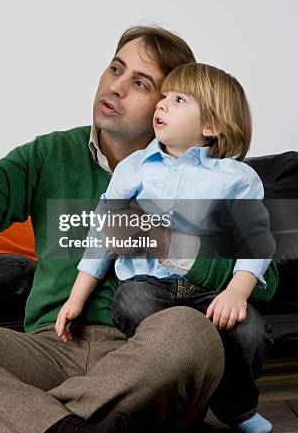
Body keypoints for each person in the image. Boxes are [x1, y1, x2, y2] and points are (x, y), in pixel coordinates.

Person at [0, 25, 226, 433]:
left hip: (143, 357)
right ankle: (62, 426)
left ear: (166, 105)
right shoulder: (49, 154)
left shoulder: (206, 173)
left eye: (139, 83)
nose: (115, 87)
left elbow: (265, 279)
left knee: (191, 333)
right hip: (48, 351)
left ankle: (12, 417)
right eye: (115, 69)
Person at [56, 63, 277, 433]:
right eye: (162, 98)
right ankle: (172, 382)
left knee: (249, 331)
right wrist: (76, 299)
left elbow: (255, 241)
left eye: (178, 100)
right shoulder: (134, 168)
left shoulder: (237, 177)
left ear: (211, 126)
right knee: (130, 301)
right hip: (150, 287)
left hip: (212, 292)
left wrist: (237, 292)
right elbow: (103, 233)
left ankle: (236, 409)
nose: (161, 106)